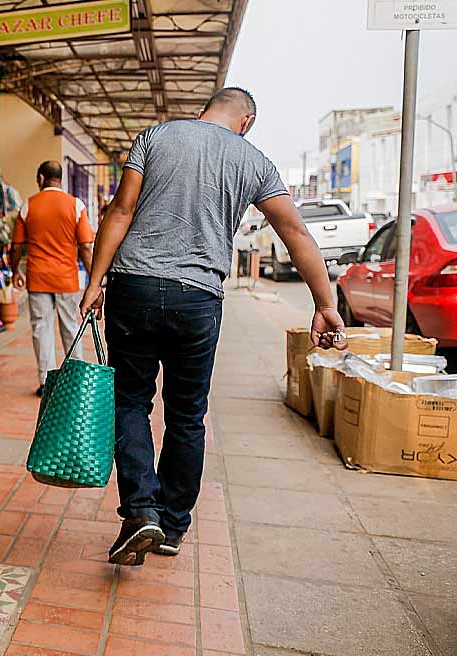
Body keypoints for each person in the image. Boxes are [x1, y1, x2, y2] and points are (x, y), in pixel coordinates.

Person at [79, 87, 348, 567]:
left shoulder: (154, 137)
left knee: (131, 402)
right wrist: (325, 303)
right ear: (246, 121)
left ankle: (140, 510)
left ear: (209, 108)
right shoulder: (254, 161)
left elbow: (119, 211)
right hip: (199, 298)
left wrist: (95, 282)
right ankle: (172, 524)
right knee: (186, 415)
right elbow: (295, 232)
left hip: (134, 286)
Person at [10, 161, 95, 395]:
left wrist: (14, 270)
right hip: (66, 279)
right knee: (70, 327)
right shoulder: (75, 205)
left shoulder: (28, 205)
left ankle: (46, 381)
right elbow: (86, 247)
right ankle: (75, 381)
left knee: (41, 328)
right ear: (61, 178)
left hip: (37, 278)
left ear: (40, 178)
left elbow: (17, 245)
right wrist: (94, 279)